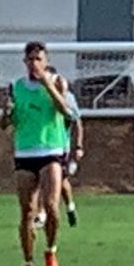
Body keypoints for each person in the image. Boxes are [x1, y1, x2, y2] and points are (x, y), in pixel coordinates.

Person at [2, 41, 75, 266]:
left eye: (38, 59)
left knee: (52, 207)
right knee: (26, 211)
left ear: (46, 61)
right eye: (30, 59)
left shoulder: (57, 82)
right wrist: (6, 113)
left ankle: (51, 252)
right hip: (25, 152)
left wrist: (48, 86)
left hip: (51, 150)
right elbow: (5, 124)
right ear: (24, 62)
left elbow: (67, 113)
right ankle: (28, 264)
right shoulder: (15, 87)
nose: (34, 63)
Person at [57, 84, 82, 228]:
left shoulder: (68, 97)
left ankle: (70, 206)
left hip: (61, 146)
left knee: (60, 179)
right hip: (41, 146)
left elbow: (77, 122)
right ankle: (41, 214)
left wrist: (78, 147)